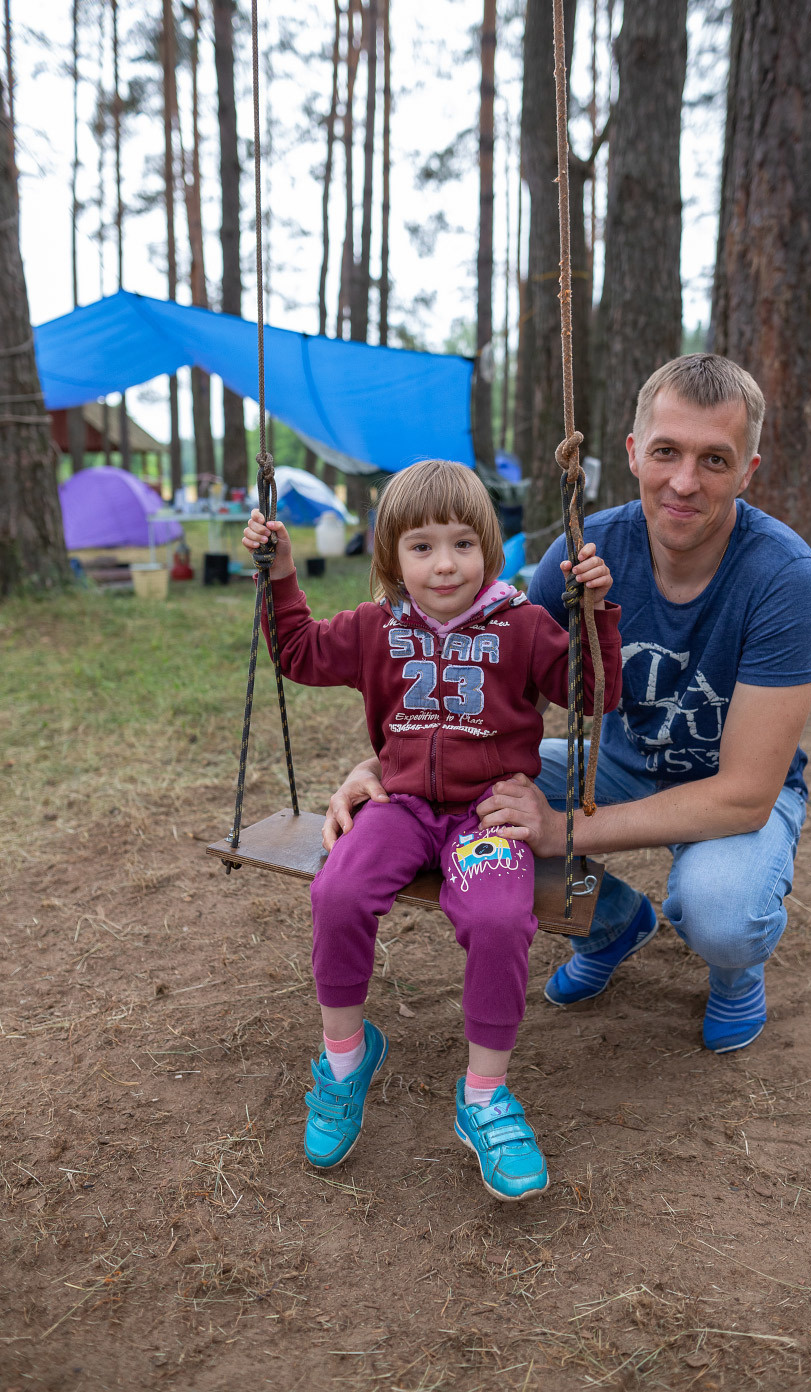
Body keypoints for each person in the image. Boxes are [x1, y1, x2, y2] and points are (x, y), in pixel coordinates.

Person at [326, 356, 811, 1058]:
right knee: (472, 800)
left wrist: (561, 832)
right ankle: (614, 921)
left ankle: (736, 974)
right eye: (666, 452)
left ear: (748, 470)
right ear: (632, 454)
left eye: (714, 459)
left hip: (735, 790)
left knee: (719, 910)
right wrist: (379, 766)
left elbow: (745, 796)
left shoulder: (785, 577)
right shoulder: (579, 553)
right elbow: (479, 696)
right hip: (612, 763)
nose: (684, 481)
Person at [242, 460, 622, 1202]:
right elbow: (298, 654)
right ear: (391, 559)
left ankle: (484, 1095)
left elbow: (591, 695)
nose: (444, 564)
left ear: (492, 548)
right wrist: (280, 575)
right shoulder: (374, 628)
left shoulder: (523, 625)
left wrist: (594, 614)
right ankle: (346, 1057)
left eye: (462, 544)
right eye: (421, 547)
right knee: (339, 889)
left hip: (488, 814)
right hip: (401, 807)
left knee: (497, 914)